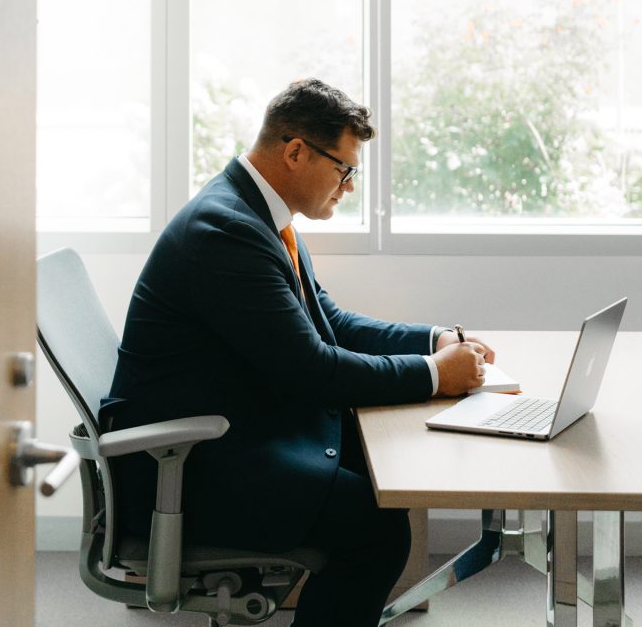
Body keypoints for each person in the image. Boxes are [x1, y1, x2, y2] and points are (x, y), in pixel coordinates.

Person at [101, 78, 495, 626]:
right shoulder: (227, 231)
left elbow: (327, 322)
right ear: (295, 152)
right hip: (196, 467)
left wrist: (435, 341)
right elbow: (313, 370)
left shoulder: (257, 213)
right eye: (344, 169)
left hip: (237, 428)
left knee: (387, 470)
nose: (349, 187)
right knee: (376, 529)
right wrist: (435, 376)